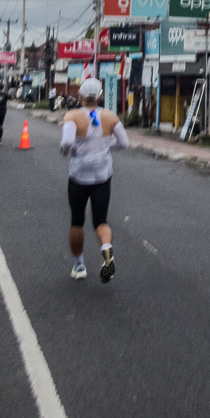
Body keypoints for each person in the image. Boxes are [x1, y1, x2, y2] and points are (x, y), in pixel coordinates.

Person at [60, 78, 128, 282]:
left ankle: (79, 265)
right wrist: (107, 148)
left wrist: (66, 151)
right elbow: (124, 143)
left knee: (77, 220)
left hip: (79, 174)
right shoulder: (110, 116)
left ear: (80, 95)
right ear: (100, 96)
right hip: (102, 174)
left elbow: (67, 141)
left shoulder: (72, 115)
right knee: (101, 220)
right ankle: (106, 251)